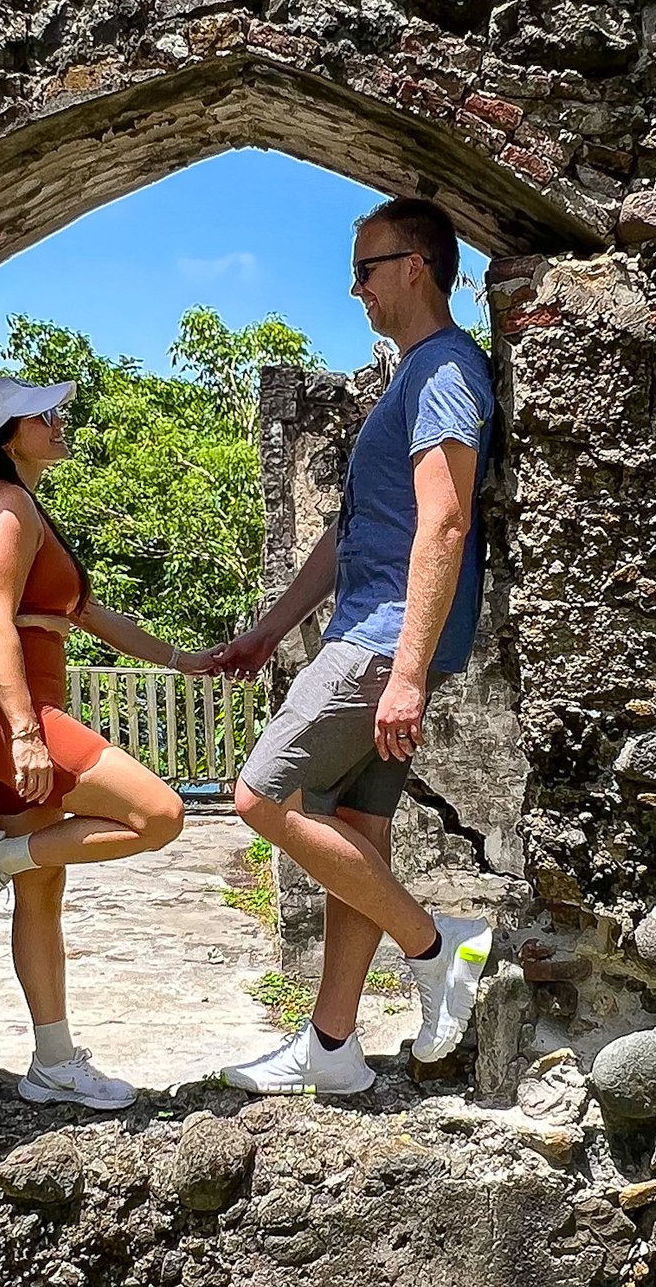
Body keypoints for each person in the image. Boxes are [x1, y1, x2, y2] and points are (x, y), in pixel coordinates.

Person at [208, 198, 497, 1096]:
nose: (355, 288)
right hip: (371, 632)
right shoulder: (411, 375)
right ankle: (332, 1047)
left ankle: (436, 947)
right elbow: (350, 533)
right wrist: (271, 628)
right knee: (360, 834)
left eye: (366, 269)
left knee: (261, 796)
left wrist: (406, 670)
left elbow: (445, 522)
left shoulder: (443, 369)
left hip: (383, 641)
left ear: (416, 266)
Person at [0, 375, 197, 1111]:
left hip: (23, 709)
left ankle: (53, 1062)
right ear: (8, 436)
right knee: (159, 815)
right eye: (42, 414)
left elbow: (88, 612)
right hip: (12, 713)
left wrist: (185, 661)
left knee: (43, 887)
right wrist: (25, 731)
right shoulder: (2, 504)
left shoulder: (27, 506)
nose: (58, 422)